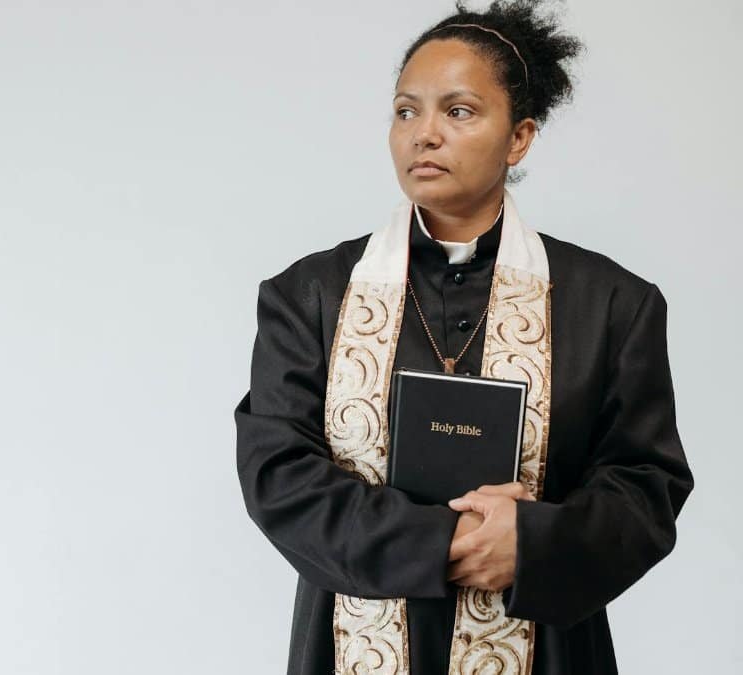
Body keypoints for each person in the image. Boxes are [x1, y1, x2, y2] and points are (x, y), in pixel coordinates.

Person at [232, 1, 695, 674]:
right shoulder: (311, 295)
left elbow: (646, 488)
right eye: (405, 111)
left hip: (547, 649)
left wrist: (533, 542)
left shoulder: (612, 302)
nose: (424, 135)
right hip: (352, 643)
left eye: (458, 111)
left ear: (519, 138)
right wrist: (442, 542)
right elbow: (277, 474)